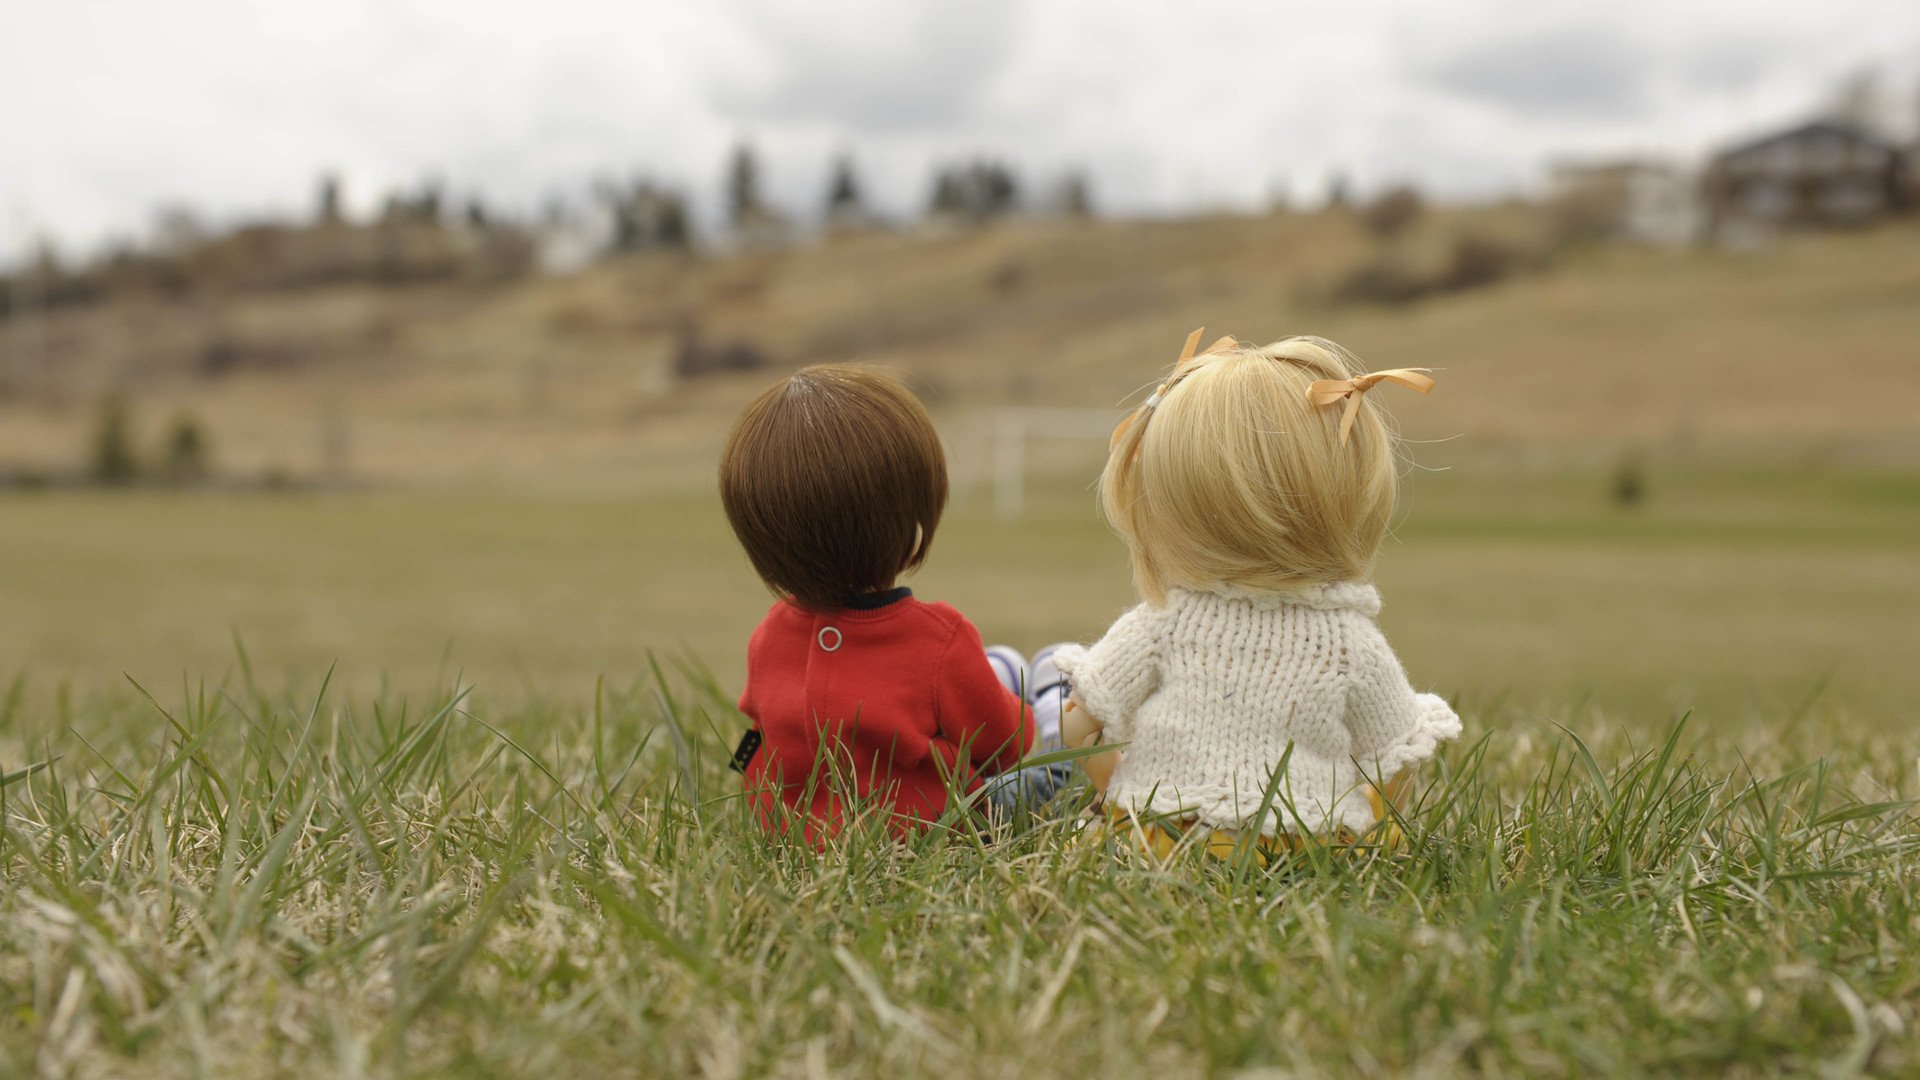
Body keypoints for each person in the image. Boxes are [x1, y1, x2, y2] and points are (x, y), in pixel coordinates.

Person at [1054, 330, 1462, 859]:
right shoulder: (1347, 641)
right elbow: (1397, 753)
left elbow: (1078, 720)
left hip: (1165, 836)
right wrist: (1379, 816)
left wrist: (1112, 785)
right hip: (1305, 846)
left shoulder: (1168, 622)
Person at [719, 364, 1067, 842]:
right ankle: (1054, 698)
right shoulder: (938, 641)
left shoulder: (768, 637)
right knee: (1044, 775)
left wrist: (740, 776)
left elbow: (754, 739)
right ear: (910, 531)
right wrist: (1026, 721)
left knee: (971, 687)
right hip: (937, 829)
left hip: (799, 831)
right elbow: (1006, 747)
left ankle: (999, 674)